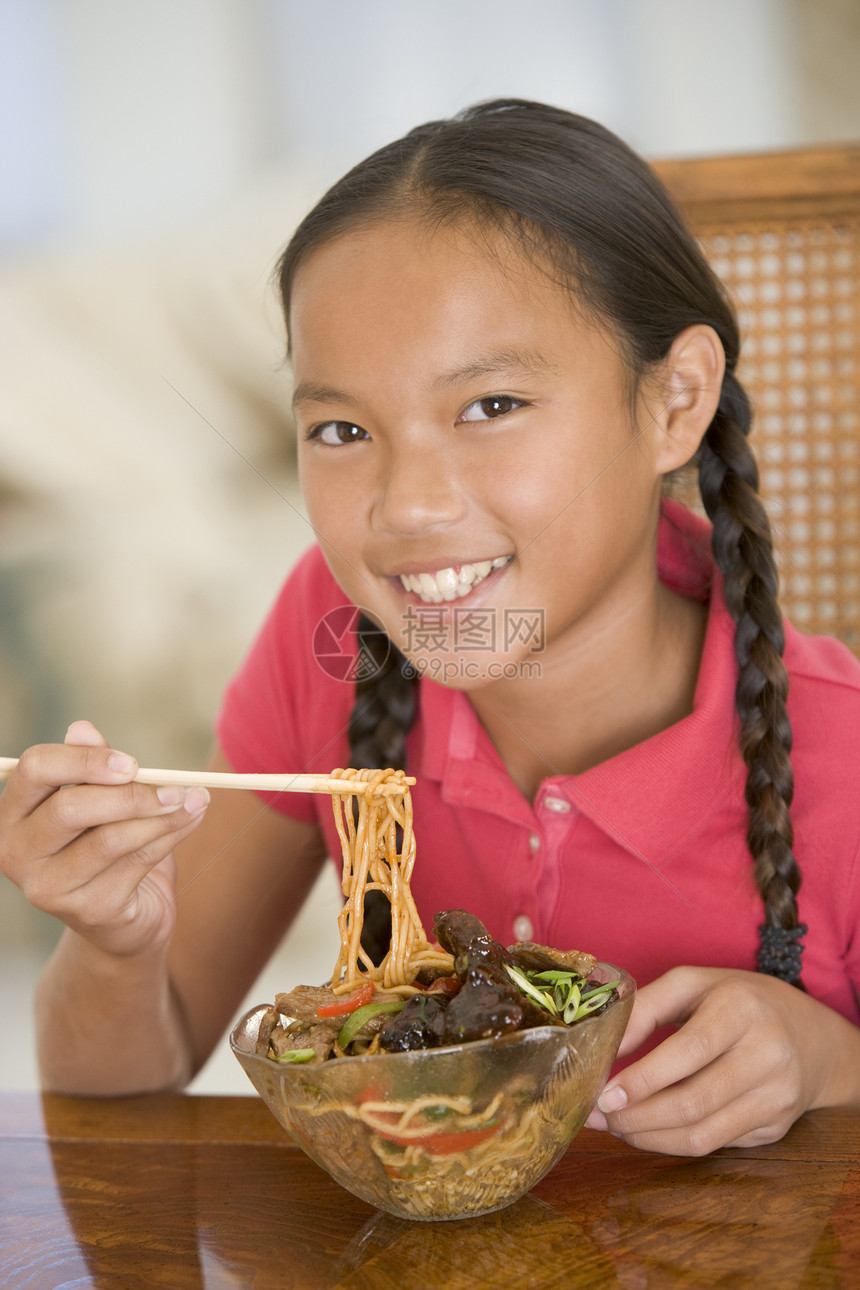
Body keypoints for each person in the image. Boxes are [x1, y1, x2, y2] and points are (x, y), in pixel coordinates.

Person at [2, 99, 859, 1155]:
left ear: (673, 402)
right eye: (342, 429)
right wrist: (114, 940)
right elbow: (123, 1085)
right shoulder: (335, 635)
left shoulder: (841, 755)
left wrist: (829, 1061)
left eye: (491, 406)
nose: (405, 505)